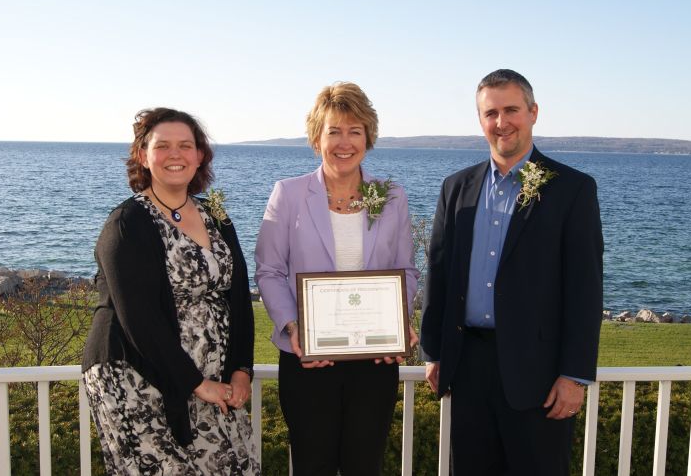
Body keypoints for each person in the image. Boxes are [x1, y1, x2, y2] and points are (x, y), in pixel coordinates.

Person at [420, 69, 603, 475]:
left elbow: (585, 290)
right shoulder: (456, 188)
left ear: (533, 112)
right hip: (467, 369)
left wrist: (574, 375)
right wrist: (433, 352)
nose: (501, 123)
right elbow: (439, 273)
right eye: (491, 113)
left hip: (538, 375)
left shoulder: (572, 189)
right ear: (480, 119)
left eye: (511, 110)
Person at [82, 108, 259, 475]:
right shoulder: (127, 224)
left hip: (212, 381)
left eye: (185, 145)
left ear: (199, 156)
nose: (175, 155)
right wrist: (195, 383)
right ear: (143, 156)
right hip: (138, 377)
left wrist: (241, 368)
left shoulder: (217, 217)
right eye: (162, 146)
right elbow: (139, 319)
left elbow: (239, 297)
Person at [255, 82, 420, 475]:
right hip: (307, 358)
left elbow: (406, 270)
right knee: (312, 466)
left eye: (355, 131)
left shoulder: (391, 196)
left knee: (366, 465)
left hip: (374, 361)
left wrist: (399, 322)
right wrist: (293, 326)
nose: (344, 142)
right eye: (334, 131)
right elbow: (270, 270)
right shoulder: (288, 193)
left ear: (368, 137)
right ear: (316, 138)